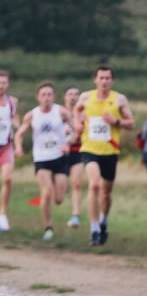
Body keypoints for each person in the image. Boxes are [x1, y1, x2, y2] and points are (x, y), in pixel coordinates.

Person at [74, 65, 135, 246]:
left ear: (112, 81)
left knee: (106, 194)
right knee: (94, 185)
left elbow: (131, 123)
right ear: (95, 80)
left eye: (107, 78)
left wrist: (116, 121)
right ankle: (94, 229)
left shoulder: (119, 100)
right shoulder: (86, 97)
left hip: (110, 151)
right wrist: (77, 123)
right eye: (101, 78)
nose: (104, 81)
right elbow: (76, 110)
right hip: (89, 149)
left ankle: (103, 220)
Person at [14, 81, 72, 241]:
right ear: (38, 98)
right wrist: (18, 147)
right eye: (43, 95)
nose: (47, 98)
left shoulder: (62, 112)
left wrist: (68, 142)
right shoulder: (32, 115)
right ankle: (48, 228)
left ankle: (55, 191)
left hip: (60, 157)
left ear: (54, 97)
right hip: (41, 158)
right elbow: (19, 134)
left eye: (49, 94)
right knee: (46, 192)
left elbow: (75, 128)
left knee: (59, 199)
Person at [0, 70, 19, 232]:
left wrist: (17, 125)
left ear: (8, 84)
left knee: (7, 179)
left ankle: (3, 214)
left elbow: (15, 118)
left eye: (4, 82)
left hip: (6, 146)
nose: (1, 85)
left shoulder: (12, 101)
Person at [63, 85, 83, 228]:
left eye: (76, 94)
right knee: (61, 187)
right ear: (65, 96)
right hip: (58, 153)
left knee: (76, 184)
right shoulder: (58, 112)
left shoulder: (83, 114)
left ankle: (75, 216)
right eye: (70, 94)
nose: (73, 97)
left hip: (77, 151)